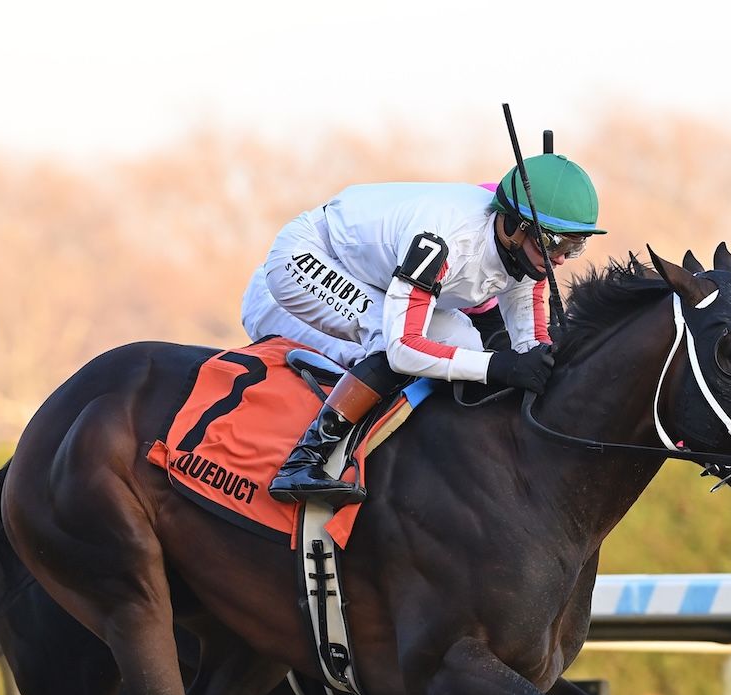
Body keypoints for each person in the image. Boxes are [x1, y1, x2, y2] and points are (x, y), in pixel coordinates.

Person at [241, 154, 605, 508]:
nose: (560, 258)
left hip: (376, 277)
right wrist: (498, 367)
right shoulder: (442, 238)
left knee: (465, 342)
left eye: (574, 246)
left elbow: (530, 348)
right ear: (513, 227)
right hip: (306, 257)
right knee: (388, 339)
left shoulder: (526, 258)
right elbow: (403, 348)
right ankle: (306, 459)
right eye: (555, 243)